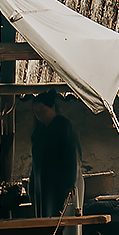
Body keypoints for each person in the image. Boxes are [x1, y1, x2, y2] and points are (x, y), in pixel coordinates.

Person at [29, 92, 81, 222]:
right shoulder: (38, 132)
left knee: (60, 218)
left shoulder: (64, 126)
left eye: (43, 110)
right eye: (36, 111)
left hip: (60, 182)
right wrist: (32, 184)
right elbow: (35, 161)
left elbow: (72, 156)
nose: (39, 114)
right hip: (42, 183)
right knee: (43, 219)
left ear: (52, 107)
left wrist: (71, 183)